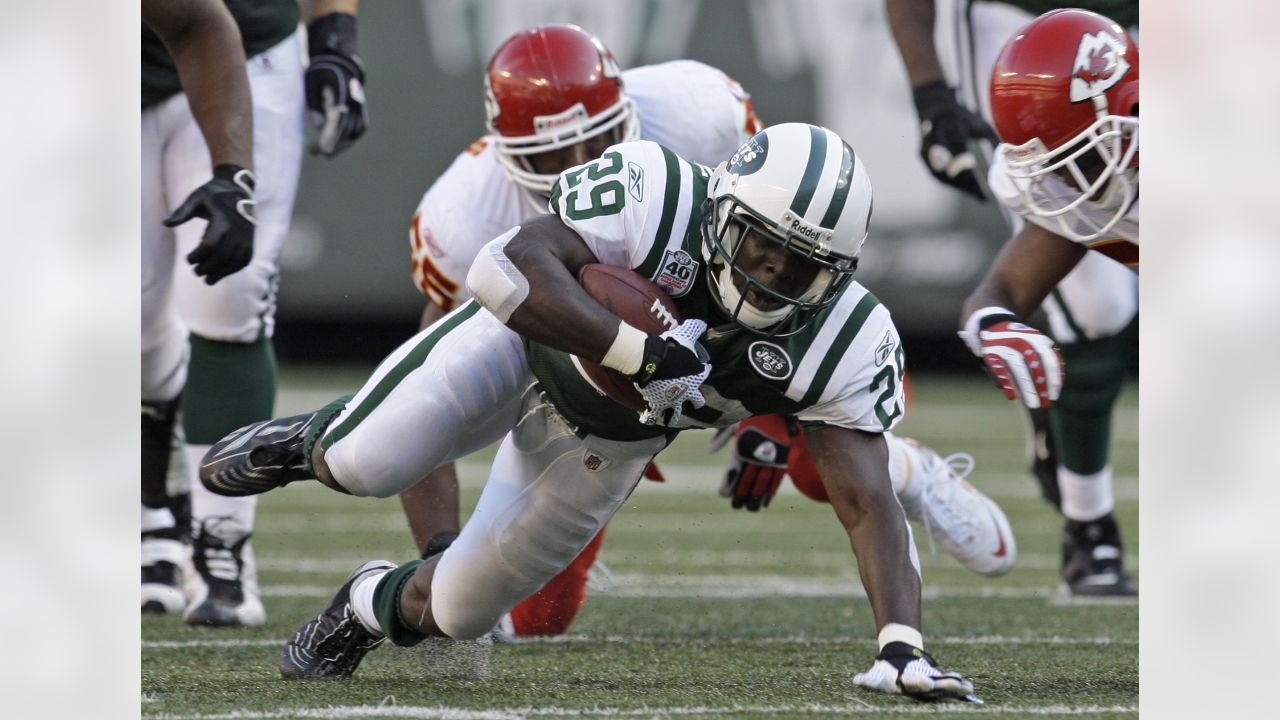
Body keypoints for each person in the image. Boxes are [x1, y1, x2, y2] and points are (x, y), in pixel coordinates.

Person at [201, 122, 986, 701]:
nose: (774, 274)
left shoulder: (844, 335)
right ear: (723, 211)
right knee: (364, 461)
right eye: (759, 247)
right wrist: (636, 352)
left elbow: (868, 499)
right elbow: (503, 268)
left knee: (460, 609)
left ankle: (364, 607)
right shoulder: (661, 192)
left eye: (803, 267)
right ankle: (311, 443)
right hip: (522, 345)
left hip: (608, 440)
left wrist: (902, 645)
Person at [400, 24, 1014, 638]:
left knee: (816, 463)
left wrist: (769, 417)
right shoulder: (466, 211)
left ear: (628, 113)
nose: (580, 167)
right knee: (537, 619)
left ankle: (905, 470)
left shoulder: (696, 112)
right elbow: (424, 392)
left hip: (740, 317)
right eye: (549, 157)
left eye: (597, 141)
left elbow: (788, 242)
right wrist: (440, 549)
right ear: (502, 148)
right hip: (603, 374)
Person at [886, 0, 1138, 596]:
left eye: (1071, 160)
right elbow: (1003, 287)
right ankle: (1088, 522)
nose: (1062, 187)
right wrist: (996, 325)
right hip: (1028, 22)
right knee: (1099, 309)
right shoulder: (1096, 172)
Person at [141, 0, 370, 626]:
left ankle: (221, 540)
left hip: (244, 49)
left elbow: (199, 25)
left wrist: (334, 35)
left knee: (228, 293)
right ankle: (150, 513)